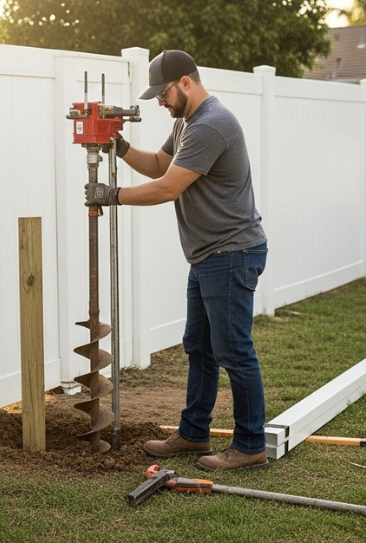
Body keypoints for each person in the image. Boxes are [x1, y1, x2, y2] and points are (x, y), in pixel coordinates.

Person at [85, 50, 269, 471]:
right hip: (210, 255)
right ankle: (193, 434)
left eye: (162, 93)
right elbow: (158, 165)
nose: (159, 103)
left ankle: (250, 445)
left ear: (185, 82)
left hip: (231, 252)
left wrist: (110, 196)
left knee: (234, 350)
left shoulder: (212, 124)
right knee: (199, 347)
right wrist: (122, 146)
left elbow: (168, 187)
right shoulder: (186, 122)